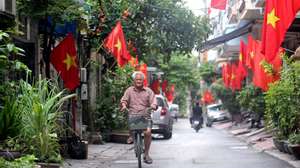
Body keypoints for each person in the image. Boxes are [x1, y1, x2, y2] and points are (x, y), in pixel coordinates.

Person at [120, 71, 157, 164]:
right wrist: (124, 105)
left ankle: (146, 154)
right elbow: (124, 100)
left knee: (148, 132)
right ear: (134, 81)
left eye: (140, 80)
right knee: (130, 121)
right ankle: (131, 136)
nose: (139, 81)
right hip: (133, 115)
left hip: (145, 116)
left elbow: (154, 102)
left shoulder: (148, 91)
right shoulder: (129, 90)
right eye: (137, 79)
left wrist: (153, 106)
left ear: (143, 81)